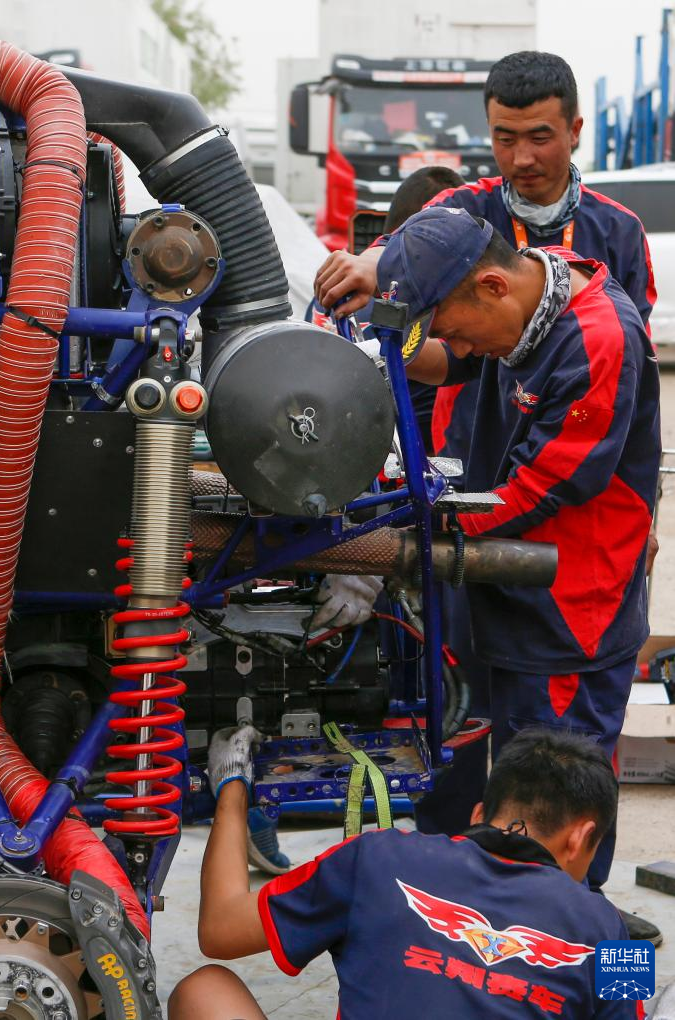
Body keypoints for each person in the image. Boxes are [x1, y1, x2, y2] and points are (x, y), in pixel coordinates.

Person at [314, 206, 660, 938]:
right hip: (498, 579)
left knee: (559, 807)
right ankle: (468, 940)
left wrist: (401, 536)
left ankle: (592, 959)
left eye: (458, 328)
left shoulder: (598, 340)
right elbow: (455, 359)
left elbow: (539, 488)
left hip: (570, 604)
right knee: (465, 773)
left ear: (493, 287)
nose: (460, 347)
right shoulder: (520, 302)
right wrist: (366, 353)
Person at [168, 726, 644, 1019]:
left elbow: (220, 928)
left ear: (479, 813)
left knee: (204, 989)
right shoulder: (612, 930)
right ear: (582, 837)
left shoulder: (376, 855)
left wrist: (233, 786)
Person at [306, 164, 465, 451]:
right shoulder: (427, 301)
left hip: (321, 439)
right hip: (408, 455)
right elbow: (457, 362)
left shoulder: (328, 286)